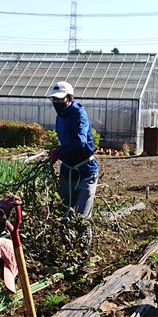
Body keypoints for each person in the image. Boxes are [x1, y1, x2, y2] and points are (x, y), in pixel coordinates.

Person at [46, 81, 99, 220]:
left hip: (86, 171)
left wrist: (60, 152)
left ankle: (84, 240)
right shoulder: (60, 117)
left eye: (60, 99)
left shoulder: (79, 115)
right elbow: (65, 142)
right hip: (67, 171)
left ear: (69, 98)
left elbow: (80, 142)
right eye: (54, 99)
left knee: (81, 218)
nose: (56, 102)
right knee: (64, 212)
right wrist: (56, 152)